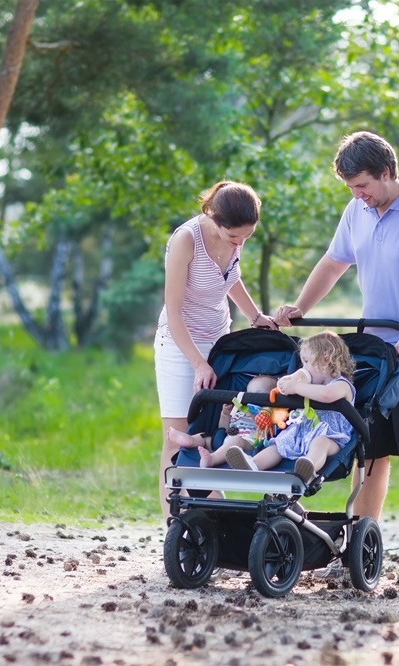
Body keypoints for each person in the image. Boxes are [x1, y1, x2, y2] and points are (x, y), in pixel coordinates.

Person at [273, 131, 399, 585]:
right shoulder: (357, 211)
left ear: (386, 172)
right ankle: (360, 550)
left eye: (362, 185)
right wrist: (302, 306)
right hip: (376, 353)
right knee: (370, 453)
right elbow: (333, 262)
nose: (357, 195)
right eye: (350, 188)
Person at [155, 180, 277, 519]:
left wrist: (255, 316)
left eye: (246, 237)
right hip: (180, 345)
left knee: (212, 433)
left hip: (219, 341)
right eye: (233, 236)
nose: (239, 243)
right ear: (213, 216)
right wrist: (198, 364)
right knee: (179, 437)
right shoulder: (187, 240)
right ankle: (177, 526)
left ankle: (213, 523)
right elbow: (174, 312)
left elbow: (230, 278)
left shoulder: (235, 236)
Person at [219, 331, 356, 484]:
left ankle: (308, 469)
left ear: (325, 359)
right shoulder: (308, 385)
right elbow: (285, 388)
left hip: (332, 436)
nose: (303, 367)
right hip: (301, 432)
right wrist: (290, 381)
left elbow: (326, 395)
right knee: (279, 443)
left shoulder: (341, 384)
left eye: (306, 362)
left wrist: (297, 387)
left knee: (320, 443)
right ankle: (253, 464)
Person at [166, 374, 278, 458]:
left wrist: (255, 414)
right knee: (205, 438)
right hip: (226, 439)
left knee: (236, 440)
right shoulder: (240, 411)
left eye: (258, 395)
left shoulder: (270, 414)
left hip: (249, 443)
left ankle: (213, 458)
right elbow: (224, 428)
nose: (252, 399)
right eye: (249, 394)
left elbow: (266, 430)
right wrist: (225, 414)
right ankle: (190, 440)